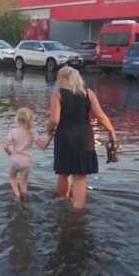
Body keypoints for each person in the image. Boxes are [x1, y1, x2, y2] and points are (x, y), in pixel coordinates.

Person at [47, 66, 116, 210]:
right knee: (80, 178)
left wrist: (49, 130)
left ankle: (62, 202)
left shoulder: (57, 94)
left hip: (64, 137)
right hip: (84, 138)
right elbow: (101, 116)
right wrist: (111, 130)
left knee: (64, 173)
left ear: (62, 79)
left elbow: (55, 120)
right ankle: (77, 210)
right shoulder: (88, 93)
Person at [4, 107, 53, 199]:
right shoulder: (32, 132)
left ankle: (17, 194)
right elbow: (43, 147)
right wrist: (50, 137)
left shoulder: (12, 132)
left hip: (15, 161)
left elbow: (5, 147)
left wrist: (10, 154)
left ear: (17, 119)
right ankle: (24, 199)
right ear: (30, 119)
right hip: (27, 163)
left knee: (12, 178)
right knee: (24, 185)